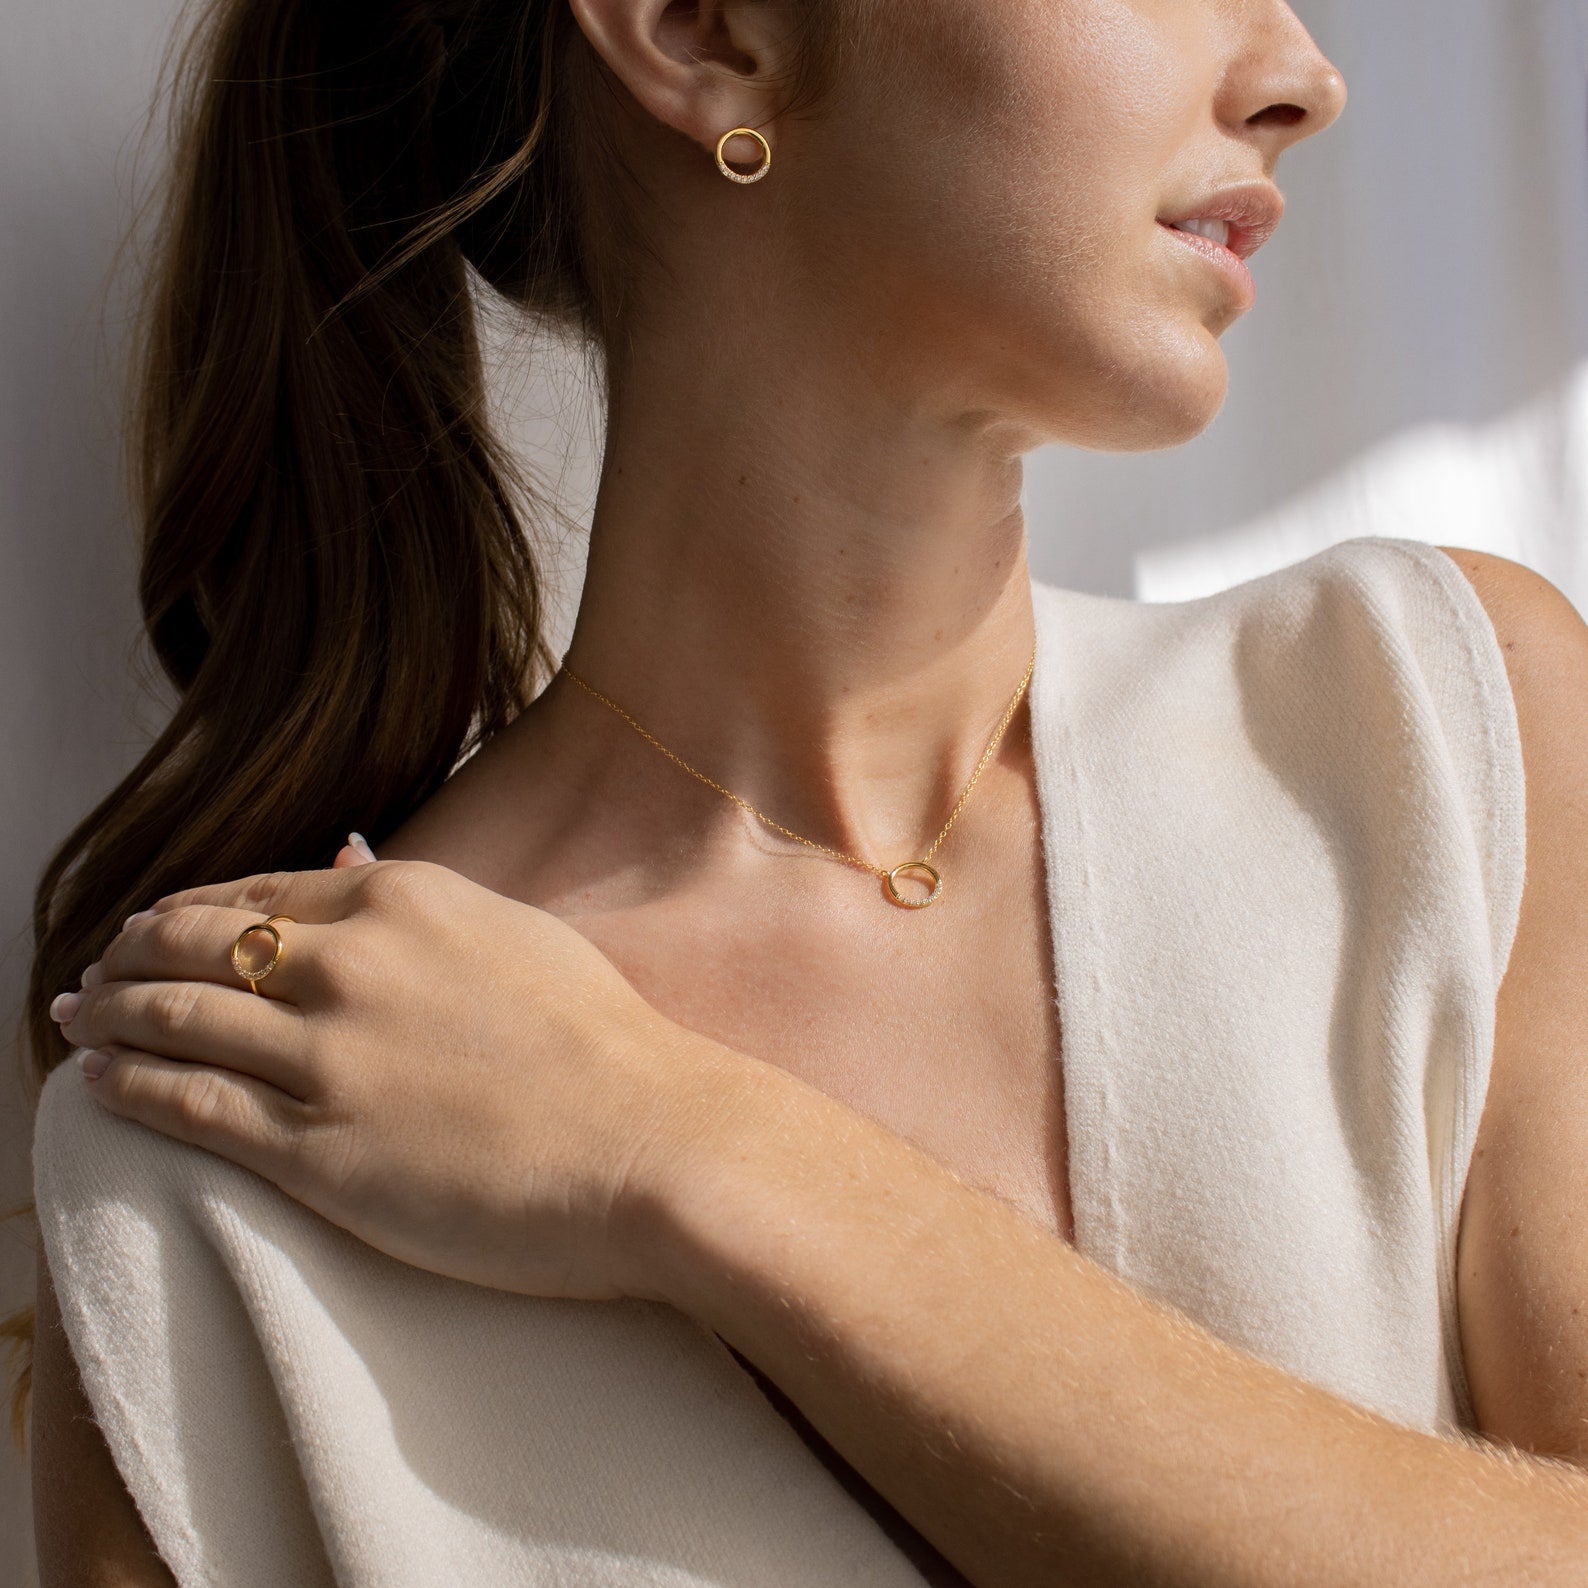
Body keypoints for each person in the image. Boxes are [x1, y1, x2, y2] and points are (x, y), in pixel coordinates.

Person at [16, 0, 1588, 1583]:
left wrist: (685, 1148)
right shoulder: (219, 1167)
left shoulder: (1433, 739)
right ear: (705, 31)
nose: (1301, 79)